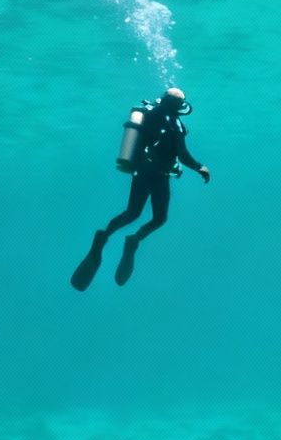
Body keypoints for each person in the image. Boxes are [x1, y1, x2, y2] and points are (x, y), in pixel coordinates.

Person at [72, 87, 210, 289]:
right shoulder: (175, 124)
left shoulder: (147, 113)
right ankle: (134, 240)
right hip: (159, 176)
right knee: (159, 218)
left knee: (132, 213)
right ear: (179, 107)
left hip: (141, 171)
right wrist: (200, 167)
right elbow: (182, 154)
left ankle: (102, 238)